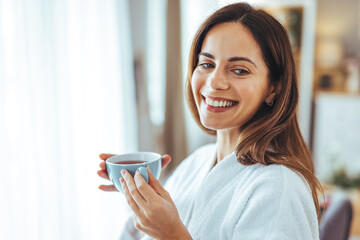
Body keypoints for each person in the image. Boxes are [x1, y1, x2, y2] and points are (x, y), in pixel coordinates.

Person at [97, 2, 322, 240]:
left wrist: (172, 234)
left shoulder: (278, 188)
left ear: (273, 88)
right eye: (207, 64)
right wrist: (140, 198)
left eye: (239, 70)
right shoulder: (195, 164)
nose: (214, 82)